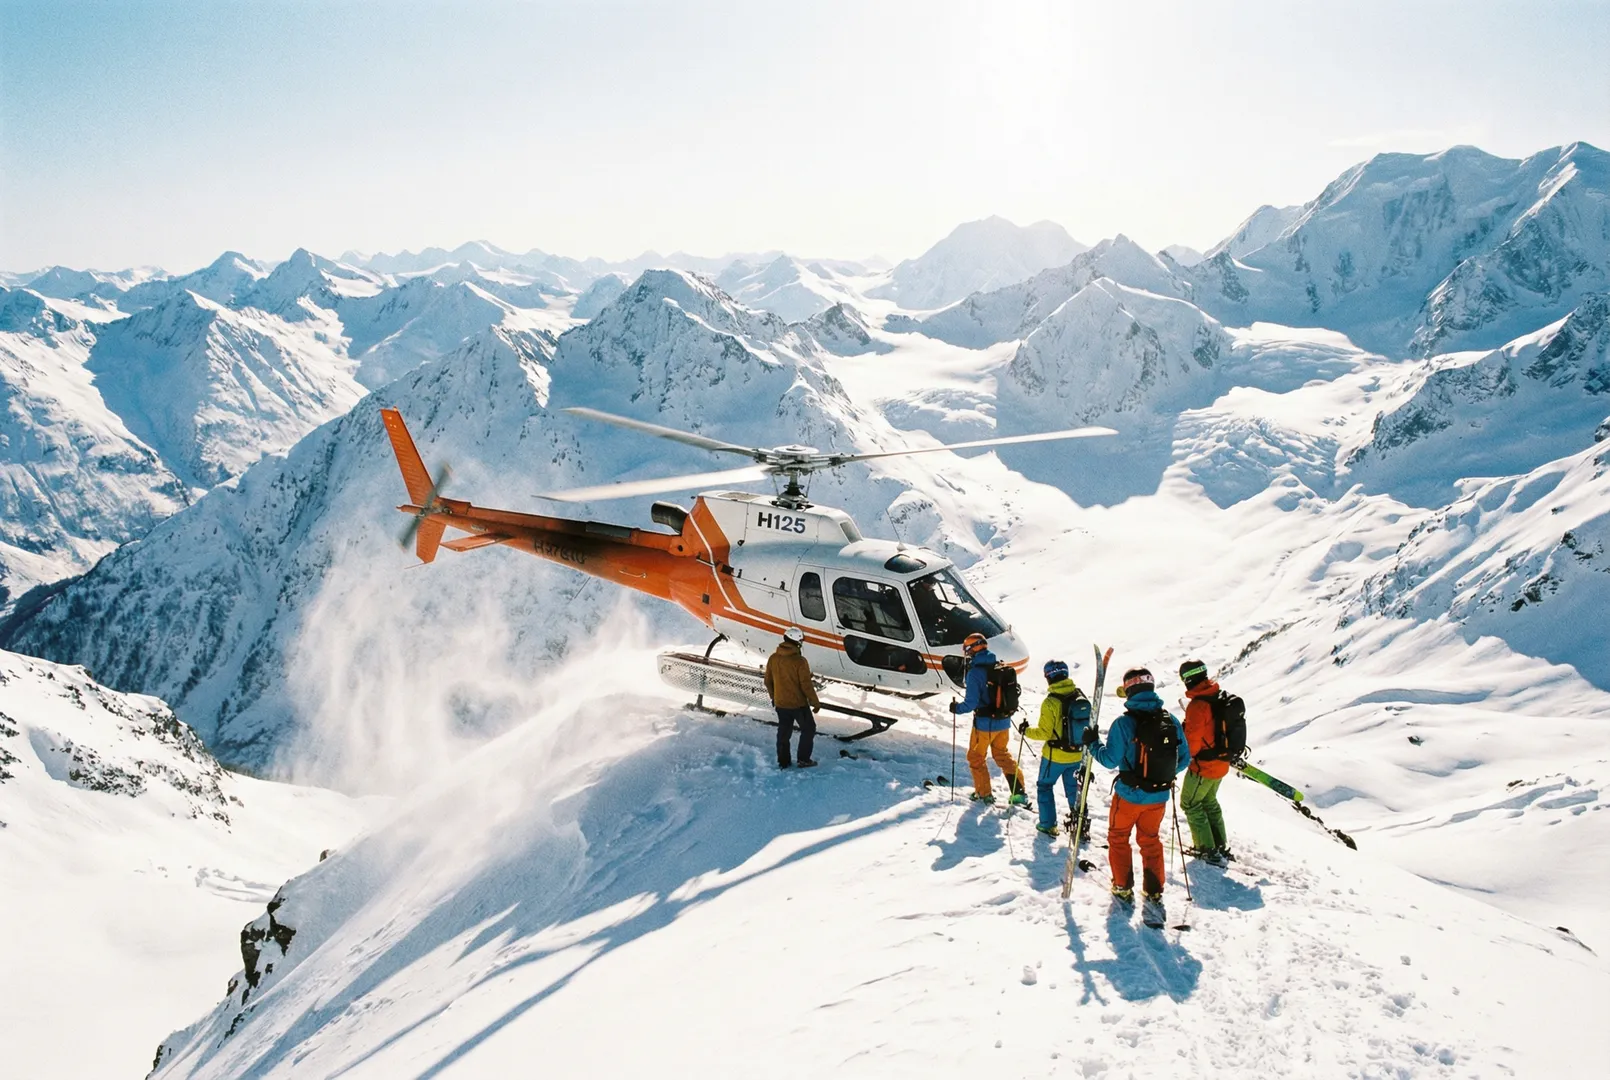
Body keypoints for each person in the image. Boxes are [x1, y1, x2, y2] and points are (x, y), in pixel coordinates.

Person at [1088, 667, 1189, 912]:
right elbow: (1184, 759)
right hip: (1159, 796)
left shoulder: (1123, 723)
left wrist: (1093, 744)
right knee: (1151, 840)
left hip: (1129, 795)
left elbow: (1110, 760)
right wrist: (1161, 774)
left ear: (1130, 691)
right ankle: (1154, 890)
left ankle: (1123, 886)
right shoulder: (1170, 720)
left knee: (1118, 837)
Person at [1017, 659, 1092, 838]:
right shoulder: (1079, 696)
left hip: (1055, 756)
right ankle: (1080, 824)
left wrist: (1026, 731)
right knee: (1074, 789)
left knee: (1045, 786)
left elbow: (1044, 733)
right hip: (1077, 754)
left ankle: (1048, 824)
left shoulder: (1051, 702)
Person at [950, 632, 1027, 805]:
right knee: (1002, 755)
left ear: (972, 650)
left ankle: (984, 794)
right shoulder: (1000, 666)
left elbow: (971, 703)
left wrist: (956, 708)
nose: (967, 653)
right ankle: (1019, 793)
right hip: (1004, 722)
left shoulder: (975, 673)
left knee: (976, 758)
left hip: (984, 725)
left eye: (967, 650)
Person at [1179, 659, 1233, 866]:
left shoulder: (1198, 706)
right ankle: (1219, 845)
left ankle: (1207, 849)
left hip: (1204, 767)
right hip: (1221, 763)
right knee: (1209, 802)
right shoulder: (1217, 696)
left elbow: (1191, 746)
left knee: (1190, 803)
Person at [764, 627, 821, 769]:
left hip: (781, 704)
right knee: (809, 729)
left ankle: (783, 762)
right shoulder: (800, 661)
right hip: (798, 704)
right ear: (797, 642)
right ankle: (803, 759)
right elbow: (806, 685)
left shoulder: (773, 658)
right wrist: (815, 702)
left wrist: (774, 697)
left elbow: (768, 681)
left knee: (784, 732)